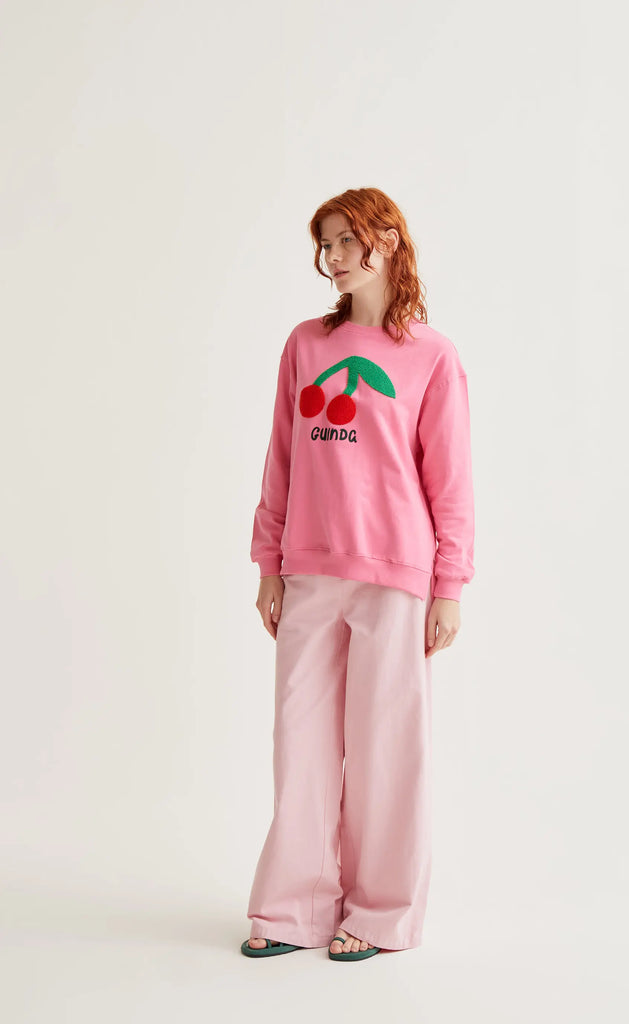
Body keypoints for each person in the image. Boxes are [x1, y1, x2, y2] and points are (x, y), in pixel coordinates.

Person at [241, 187, 475, 961]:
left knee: (385, 751)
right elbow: (280, 460)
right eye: (326, 243)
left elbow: (449, 480)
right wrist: (268, 564)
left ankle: (380, 914)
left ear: (388, 242)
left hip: (396, 577)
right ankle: (291, 910)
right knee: (300, 743)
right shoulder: (306, 344)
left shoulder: (431, 355)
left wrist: (448, 586)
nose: (333, 256)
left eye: (346, 240)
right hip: (308, 570)